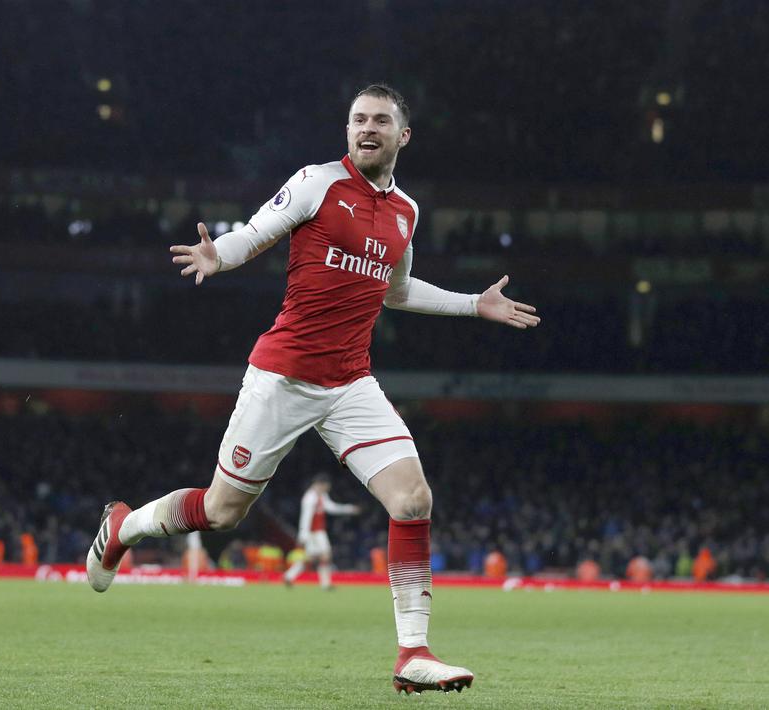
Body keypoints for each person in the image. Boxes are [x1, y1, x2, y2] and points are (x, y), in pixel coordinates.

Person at [85, 84, 539, 695]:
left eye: (380, 120)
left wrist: (472, 304)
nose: (367, 128)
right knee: (222, 512)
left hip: (350, 382)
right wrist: (219, 256)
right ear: (348, 129)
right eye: (358, 119)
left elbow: (396, 290)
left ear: (404, 135)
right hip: (282, 376)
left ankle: (413, 652)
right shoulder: (317, 182)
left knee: (412, 500)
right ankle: (124, 527)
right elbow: (255, 231)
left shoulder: (405, 211)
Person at [283, 474, 358, 590]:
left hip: (319, 531)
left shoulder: (322, 495)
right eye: (326, 486)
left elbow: (331, 507)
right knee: (322, 556)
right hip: (312, 533)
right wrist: (303, 536)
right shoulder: (309, 498)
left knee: (315, 557)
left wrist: (349, 509)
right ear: (320, 484)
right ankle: (324, 583)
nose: (327, 489)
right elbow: (306, 518)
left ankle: (290, 576)